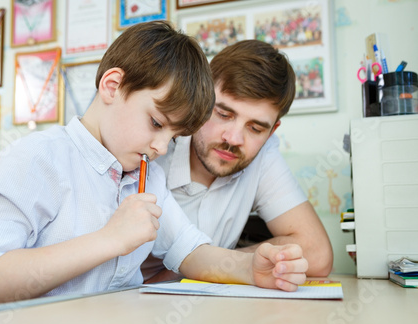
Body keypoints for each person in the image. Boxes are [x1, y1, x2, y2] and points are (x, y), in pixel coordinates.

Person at [0, 21, 308, 309]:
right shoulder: (36, 159)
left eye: (174, 135)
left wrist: (250, 268)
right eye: (156, 123)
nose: (161, 147)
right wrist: (109, 239)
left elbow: (189, 251)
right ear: (112, 85)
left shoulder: (145, 174)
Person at [141, 39, 333, 283]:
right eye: (223, 114)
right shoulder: (156, 142)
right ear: (201, 99)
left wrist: (218, 265)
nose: (233, 139)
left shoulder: (263, 152)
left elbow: (317, 253)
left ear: (271, 131)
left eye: (255, 128)